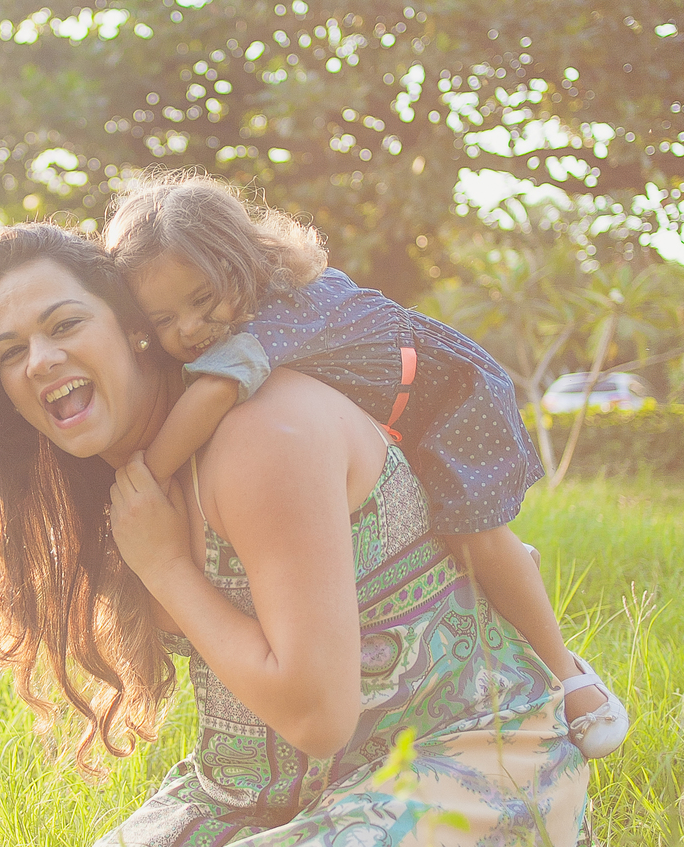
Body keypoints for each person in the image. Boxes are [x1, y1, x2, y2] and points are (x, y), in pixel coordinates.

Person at [0, 222, 596, 847]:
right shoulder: (137, 481)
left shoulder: (258, 436)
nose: (40, 362)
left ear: (135, 329)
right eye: (9, 351)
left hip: (468, 767)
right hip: (271, 793)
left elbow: (319, 717)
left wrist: (167, 568)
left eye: (65, 325)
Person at [103, 173, 628, 761]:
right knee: (440, 538)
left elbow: (210, 397)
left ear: (240, 263)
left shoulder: (276, 310)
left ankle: (569, 676)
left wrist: (144, 477)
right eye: (162, 322)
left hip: (445, 400)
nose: (189, 330)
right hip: (394, 412)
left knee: (477, 538)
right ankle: (492, 582)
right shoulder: (233, 323)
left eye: (200, 301)